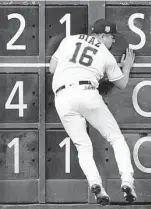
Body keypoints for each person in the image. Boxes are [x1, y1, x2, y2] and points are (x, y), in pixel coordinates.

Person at [49, 18, 136, 206]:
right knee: (116, 138)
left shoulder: (69, 40)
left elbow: (52, 68)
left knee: (83, 146)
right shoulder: (106, 54)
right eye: (111, 37)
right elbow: (121, 84)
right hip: (87, 93)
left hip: (62, 97)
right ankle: (127, 181)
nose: (113, 41)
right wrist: (127, 67)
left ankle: (96, 183)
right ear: (102, 35)